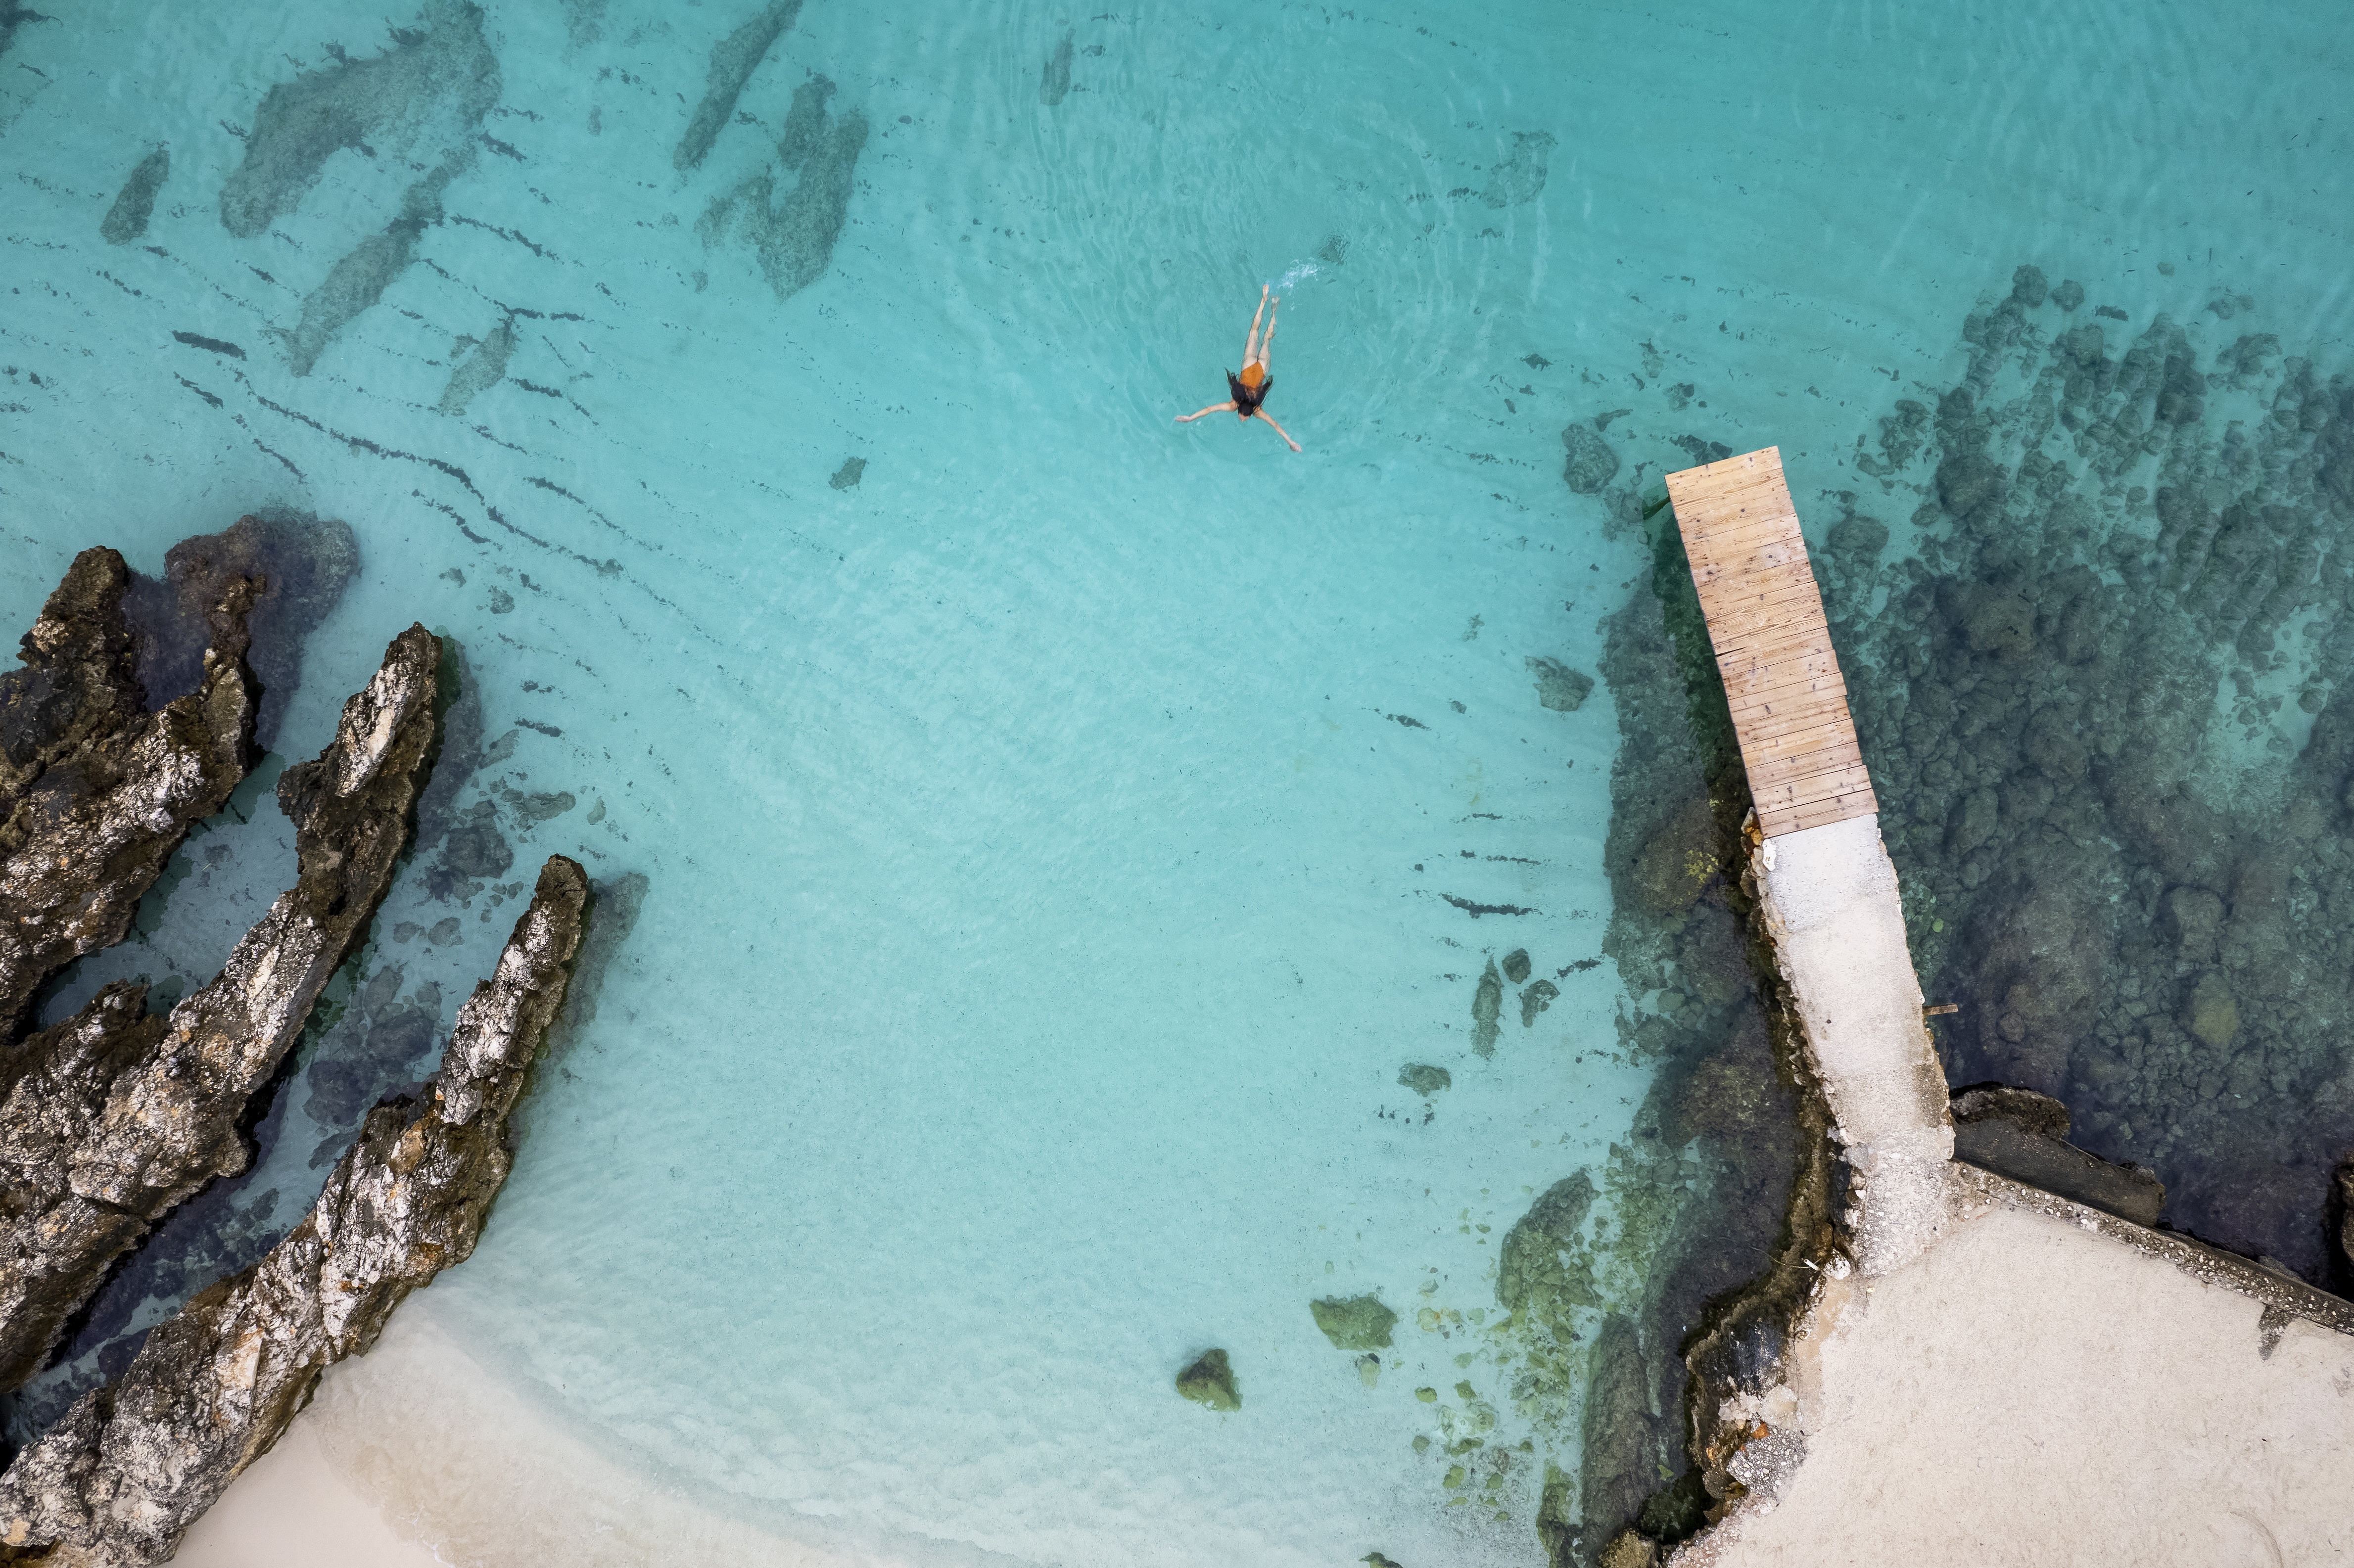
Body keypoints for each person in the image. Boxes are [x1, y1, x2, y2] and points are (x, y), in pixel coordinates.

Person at [1177, 284, 1300, 452]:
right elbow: (1211, 409)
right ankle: (1265, 303)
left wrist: (1291, 442)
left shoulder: (1253, 409)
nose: (1242, 419)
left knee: (1266, 339)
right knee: (1255, 332)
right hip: (1249, 365)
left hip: (1262, 368)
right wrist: (1190, 418)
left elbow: (1275, 425)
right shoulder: (1237, 404)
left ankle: (1272, 309)